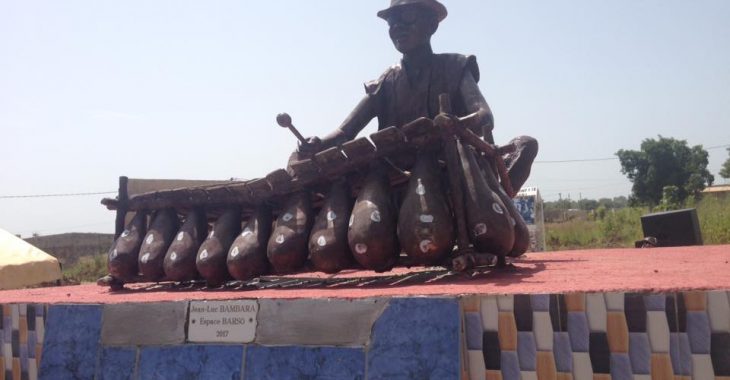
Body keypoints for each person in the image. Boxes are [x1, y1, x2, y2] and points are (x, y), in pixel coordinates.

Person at [296, 0, 537, 193]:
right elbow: (345, 132)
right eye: (392, 22)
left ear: (432, 25)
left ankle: (496, 200)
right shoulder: (385, 81)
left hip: (451, 165)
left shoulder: (455, 66)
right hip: (397, 172)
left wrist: (453, 125)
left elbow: (484, 116)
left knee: (526, 144)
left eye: (407, 18)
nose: (397, 27)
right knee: (300, 161)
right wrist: (317, 143)